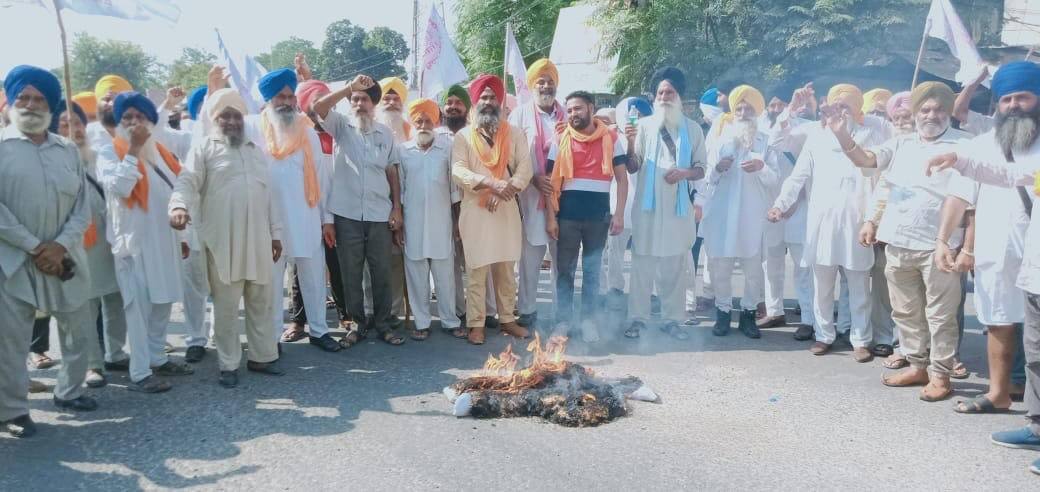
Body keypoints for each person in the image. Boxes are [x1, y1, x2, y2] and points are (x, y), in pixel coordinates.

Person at [926, 60, 1040, 475]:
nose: (1014, 105)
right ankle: (1016, 408)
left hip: (1034, 254)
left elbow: (1012, 175)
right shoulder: (984, 143)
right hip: (1009, 255)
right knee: (1015, 333)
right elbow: (989, 181)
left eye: (1023, 97)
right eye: (1006, 99)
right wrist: (946, 240)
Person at [840, 81, 970, 400]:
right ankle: (917, 365)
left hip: (941, 246)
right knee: (905, 312)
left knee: (940, 315)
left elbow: (972, 202)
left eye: (938, 109)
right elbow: (868, 162)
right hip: (898, 241)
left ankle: (941, 374)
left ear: (949, 112)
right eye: (924, 109)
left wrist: (968, 247)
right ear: (915, 113)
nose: (931, 115)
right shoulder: (901, 143)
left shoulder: (965, 145)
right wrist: (841, 134)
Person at [205, 67, 338, 353]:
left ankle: (320, 330)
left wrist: (327, 219)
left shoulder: (308, 131)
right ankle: (272, 338)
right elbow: (216, 130)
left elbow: (323, 178)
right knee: (271, 282)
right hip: (266, 219)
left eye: (291, 97)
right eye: (281, 97)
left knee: (314, 276)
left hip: (306, 215)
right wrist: (214, 92)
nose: (287, 102)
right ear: (268, 99)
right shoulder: (251, 126)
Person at [2, 66, 98, 438]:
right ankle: (12, 410)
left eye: (39, 99)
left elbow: (82, 206)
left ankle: (69, 391)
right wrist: (34, 246)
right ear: (11, 102)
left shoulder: (67, 150)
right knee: (11, 340)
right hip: (13, 260)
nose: (30, 104)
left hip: (65, 258)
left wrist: (59, 246)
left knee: (78, 328)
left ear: (50, 105)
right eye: (23, 97)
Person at [169, 88, 285, 388]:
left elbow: (269, 196)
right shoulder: (203, 148)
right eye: (225, 116)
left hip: (258, 240)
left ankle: (262, 357)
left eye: (236, 116)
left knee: (260, 301)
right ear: (214, 119)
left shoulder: (255, 150)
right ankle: (229, 363)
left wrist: (276, 234)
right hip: (223, 243)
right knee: (227, 306)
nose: (232, 121)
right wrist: (178, 205)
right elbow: (186, 181)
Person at [769, 83, 890, 360]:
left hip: (856, 224)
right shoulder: (816, 136)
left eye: (846, 106)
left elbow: (879, 178)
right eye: (837, 106)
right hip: (822, 224)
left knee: (859, 287)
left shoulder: (871, 135)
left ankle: (861, 340)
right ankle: (824, 335)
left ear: (857, 109)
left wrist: (873, 220)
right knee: (821, 286)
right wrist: (780, 205)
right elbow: (797, 176)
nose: (840, 111)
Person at [97, 91, 195, 393]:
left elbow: (180, 187)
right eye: (127, 117)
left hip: (165, 240)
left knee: (163, 301)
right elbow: (121, 187)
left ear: (151, 122)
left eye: (140, 116)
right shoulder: (109, 152)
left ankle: (157, 357)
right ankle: (140, 372)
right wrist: (134, 149)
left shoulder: (161, 152)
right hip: (133, 245)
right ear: (119, 122)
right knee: (137, 310)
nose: (134, 122)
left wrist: (182, 233)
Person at [312, 73, 406, 347]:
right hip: (347, 214)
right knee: (350, 271)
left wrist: (396, 208)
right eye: (355, 99)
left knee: (381, 271)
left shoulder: (385, 133)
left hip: (378, 214)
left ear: (373, 104)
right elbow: (318, 107)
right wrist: (347, 88)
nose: (359, 104)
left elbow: (392, 171)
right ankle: (356, 324)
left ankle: (383, 324)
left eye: (364, 99)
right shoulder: (341, 126)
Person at [623, 66, 706, 340]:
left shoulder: (693, 129)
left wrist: (683, 173)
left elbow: (701, 169)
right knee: (642, 265)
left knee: (674, 267)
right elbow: (633, 166)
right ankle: (638, 318)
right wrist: (630, 142)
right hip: (647, 209)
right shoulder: (643, 127)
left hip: (677, 210)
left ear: (678, 96)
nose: (663, 97)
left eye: (669, 92)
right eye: (660, 93)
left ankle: (672, 320)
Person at [450, 74, 534, 344]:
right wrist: (490, 183)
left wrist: (508, 187)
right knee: (476, 269)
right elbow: (458, 170)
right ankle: (476, 324)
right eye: (483, 97)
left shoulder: (515, 133)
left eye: (493, 97)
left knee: (506, 268)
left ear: (500, 102)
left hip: (506, 208)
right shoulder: (463, 136)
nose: (488, 102)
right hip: (476, 210)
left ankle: (507, 319)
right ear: (475, 103)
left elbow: (525, 168)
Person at [54, 100, 128, 389]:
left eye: (78, 123)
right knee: (86, 306)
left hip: (108, 240)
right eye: (65, 124)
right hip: (75, 244)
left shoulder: (98, 157)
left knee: (115, 299)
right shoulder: (54, 163)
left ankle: (116, 353)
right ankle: (92, 364)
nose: (74, 129)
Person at [544, 90, 629, 342]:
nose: (573, 114)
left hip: (598, 218)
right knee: (565, 271)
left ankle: (589, 321)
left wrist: (619, 214)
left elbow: (622, 179)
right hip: (567, 217)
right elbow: (549, 182)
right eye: (569, 110)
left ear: (591, 108)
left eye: (578, 108)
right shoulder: (560, 139)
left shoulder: (611, 138)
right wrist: (551, 218)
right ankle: (563, 322)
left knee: (592, 272)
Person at [701, 84, 779, 338]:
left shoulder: (766, 141)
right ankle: (723, 313)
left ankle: (748, 315)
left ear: (757, 113)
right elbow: (707, 177)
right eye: (739, 109)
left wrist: (761, 167)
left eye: (748, 109)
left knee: (753, 271)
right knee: (720, 268)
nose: (743, 114)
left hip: (751, 215)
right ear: (733, 113)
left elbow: (775, 179)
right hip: (723, 213)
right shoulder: (721, 139)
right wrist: (718, 168)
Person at [281, 78, 352, 339]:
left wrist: (329, 217)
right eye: (316, 102)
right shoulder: (296, 134)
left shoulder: (338, 131)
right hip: (304, 211)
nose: (323, 107)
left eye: (326, 101)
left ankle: (345, 314)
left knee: (337, 263)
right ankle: (298, 321)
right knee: (299, 269)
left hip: (336, 208)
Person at [399, 98, 463, 340]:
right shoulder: (403, 150)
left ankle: (450, 321)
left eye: (428, 121)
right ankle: (422, 322)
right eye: (419, 121)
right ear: (413, 123)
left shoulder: (446, 148)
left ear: (435, 123)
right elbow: (400, 190)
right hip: (412, 221)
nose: (424, 125)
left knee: (445, 275)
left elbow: (455, 190)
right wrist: (398, 222)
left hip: (441, 221)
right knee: (416, 274)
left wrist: (457, 222)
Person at [510, 58, 565, 329]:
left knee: (561, 258)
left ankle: (561, 313)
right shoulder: (520, 115)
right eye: (540, 82)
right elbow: (511, 156)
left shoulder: (568, 115)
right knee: (530, 257)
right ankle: (527, 310)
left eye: (550, 81)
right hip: (531, 197)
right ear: (532, 86)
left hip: (564, 197)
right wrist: (533, 179)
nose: (545, 86)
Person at [372, 76, 411, 329]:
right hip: (376, 204)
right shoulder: (372, 129)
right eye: (387, 97)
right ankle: (372, 311)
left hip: (406, 204)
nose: (392, 102)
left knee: (397, 260)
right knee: (374, 261)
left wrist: (401, 207)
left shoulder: (411, 128)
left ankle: (395, 310)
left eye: (396, 98)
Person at [605, 97, 651, 298]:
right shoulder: (613, 138)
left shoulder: (651, 139)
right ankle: (614, 287)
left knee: (643, 252)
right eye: (633, 115)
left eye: (641, 116)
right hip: (620, 202)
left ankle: (642, 290)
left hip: (645, 204)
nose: (637, 120)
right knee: (615, 250)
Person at [87, 74, 133, 149]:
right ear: (98, 104)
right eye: (107, 99)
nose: (112, 104)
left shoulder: (139, 134)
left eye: (117, 100)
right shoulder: (87, 134)